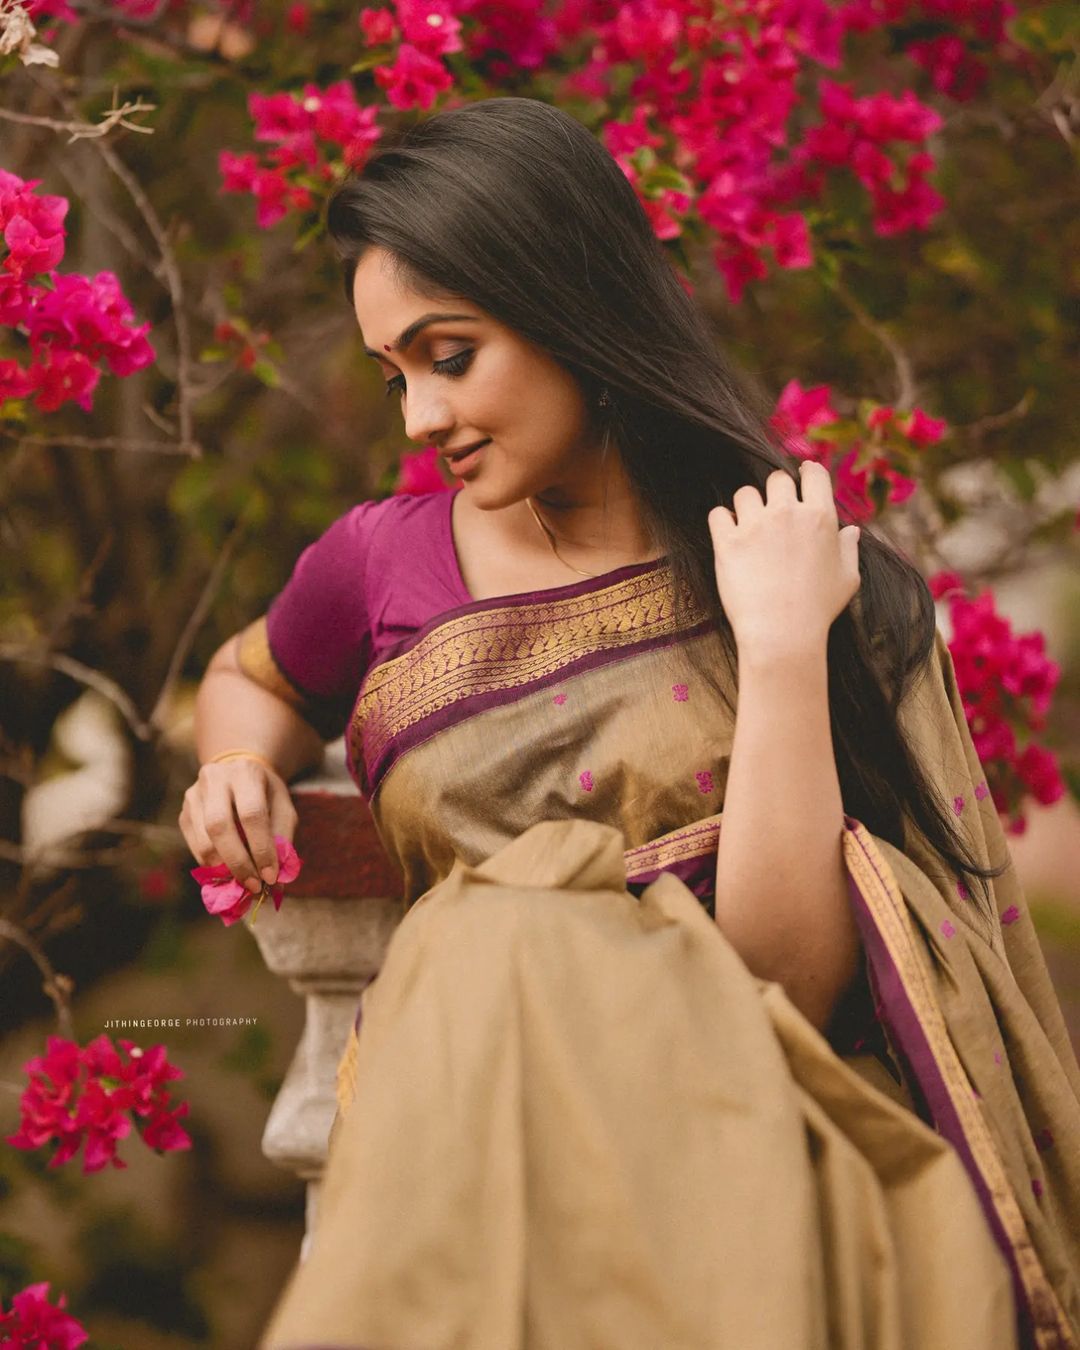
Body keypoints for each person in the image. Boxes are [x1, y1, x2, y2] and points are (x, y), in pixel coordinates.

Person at [180, 97, 1080, 1349]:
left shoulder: (780, 564)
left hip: (741, 1129)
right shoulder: (379, 562)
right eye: (395, 376)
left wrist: (778, 653)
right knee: (501, 940)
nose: (418, 421)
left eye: (450, 357)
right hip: (478, 1128)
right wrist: (235, 761)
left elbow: (784, 983)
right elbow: (258, 675)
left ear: (570, 308)